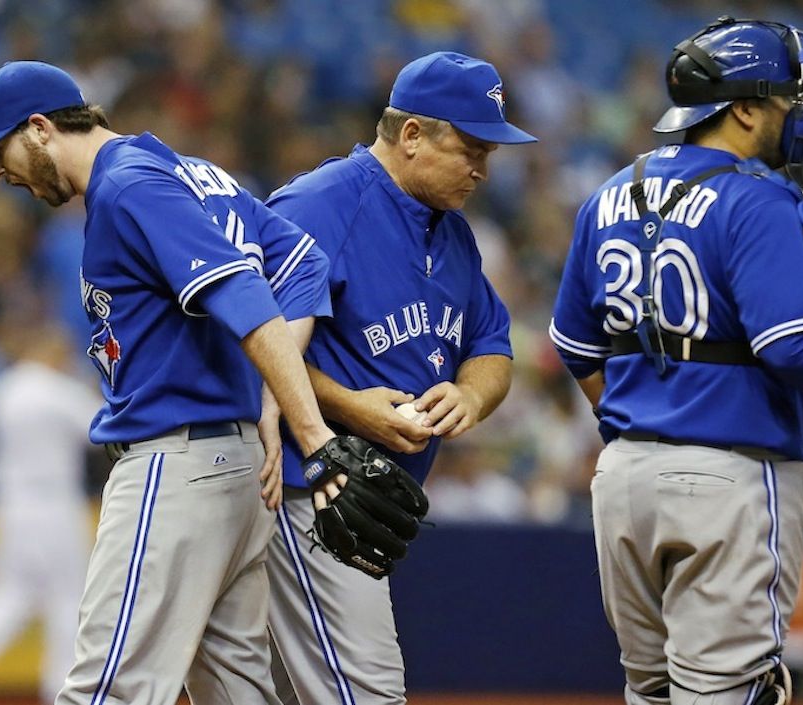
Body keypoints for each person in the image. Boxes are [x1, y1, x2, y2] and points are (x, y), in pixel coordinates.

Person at [0, 60, 342, 705]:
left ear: (40, 128)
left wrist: (310, 429)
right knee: (236, 693)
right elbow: (302, 264)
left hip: (176, 466)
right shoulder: (186, 172)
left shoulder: (129, 186)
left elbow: (244, 293)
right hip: (235, 472)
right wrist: (273, 402)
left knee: (107, 691)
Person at [549, 16, 803, 705]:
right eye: (790, 100)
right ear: (746, 107)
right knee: (730, 692)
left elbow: (575, 345)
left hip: (623, 479)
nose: (799, 115)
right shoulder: (756, 198)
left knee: (653, 692)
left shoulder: (607, 193)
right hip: (728, 477)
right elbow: (794, 348)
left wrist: (650, 421)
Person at [263, 51, 535, 704]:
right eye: (470, 147)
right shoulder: (321, 205)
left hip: (360, 501)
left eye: (488, 152)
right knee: (369, 691)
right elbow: (250, 344)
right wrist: (347, 406)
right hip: (304, 491)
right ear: (412, 134)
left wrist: (470, 392)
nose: (481, 168)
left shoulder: (455, 236)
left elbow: (493, 347)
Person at [0, 325, 102, 705]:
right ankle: (62, 690)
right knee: (69, 597)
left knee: (15, 588)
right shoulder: (54, 388)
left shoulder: (4, 388)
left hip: (11, 503)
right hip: (53, 503)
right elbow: (98, 427)